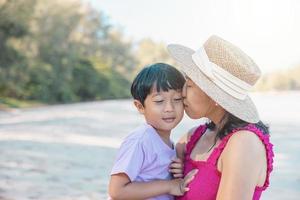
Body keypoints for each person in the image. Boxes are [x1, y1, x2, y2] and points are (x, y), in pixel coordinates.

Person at [167, 35, 274, 200]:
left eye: (189, 85)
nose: (182, 93)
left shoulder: (244, 143)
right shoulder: (193, 136)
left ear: (215, 96)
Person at [108, 63, 198, 200]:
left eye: (177, 99)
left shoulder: (168, 143)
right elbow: (117, 191)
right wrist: (169, 185)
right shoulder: (140, 140)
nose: (169, 108)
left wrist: (178, 171)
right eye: (159, 101)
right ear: (140, 107)